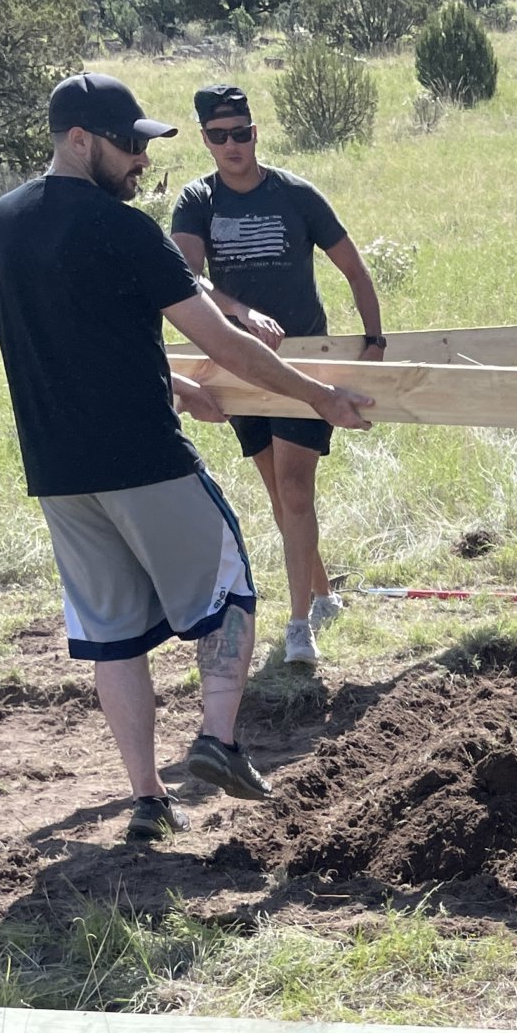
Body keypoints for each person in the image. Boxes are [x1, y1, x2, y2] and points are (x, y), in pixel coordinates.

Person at [0, 74, 372, 844]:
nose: (139, 161)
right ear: (80, 140)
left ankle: (147, 801)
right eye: (129, 145)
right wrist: (320, 397)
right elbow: (226, 343)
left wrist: (172, 387)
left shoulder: (5, 222)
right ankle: (220, 742)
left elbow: (76, 337)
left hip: (59, 471)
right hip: (142, 460)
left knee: (115, 632)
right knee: (230, 591)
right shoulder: (123, 230)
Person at [170, 83, 387, 674]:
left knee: (295, 489)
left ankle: (298, 628)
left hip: (307, 362)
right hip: (240, 362)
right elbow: (183, 278)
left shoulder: (295, 193)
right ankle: (323, 594)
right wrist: (239, 312)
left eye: (241, 132)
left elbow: (353, 267)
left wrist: (373, 339)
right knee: (277, 492)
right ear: (206, 140)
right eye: (219, 136)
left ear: (255, 132)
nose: (232, 145)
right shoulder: (197, 201)